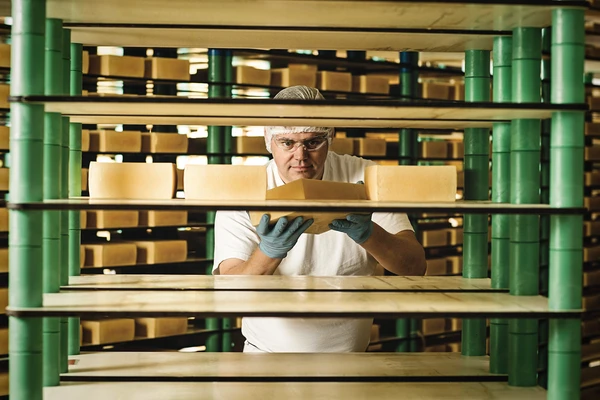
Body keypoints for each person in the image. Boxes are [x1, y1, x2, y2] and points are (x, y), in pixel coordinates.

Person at [214, 85, 426, 353]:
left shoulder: (366, 177)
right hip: (265, 361)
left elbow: (415, 266)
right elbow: (230, 292)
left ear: (331, 136)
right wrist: (268, 253)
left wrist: (370, 234)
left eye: (313, 142)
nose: (300, 156)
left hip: (350, 364)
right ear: (268, 140)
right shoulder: (243, 192)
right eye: (287, 143)